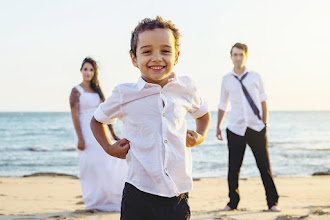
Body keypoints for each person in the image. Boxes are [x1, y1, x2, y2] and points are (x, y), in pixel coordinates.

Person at [90, 17, 211, 220]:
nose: (156, 58)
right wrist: (109, 147)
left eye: (165, 51)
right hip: (139, 190)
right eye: (147, 51)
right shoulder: (124, 94)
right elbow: (97, 121)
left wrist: (200, 136)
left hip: (177, 191)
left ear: (177, 56)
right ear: (134, 58)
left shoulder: (185, 89)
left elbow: (204, 114)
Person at [216, 43, 280, 212]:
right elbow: (223, 104)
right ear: (231, 57)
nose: (238, 58)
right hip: (235, 128)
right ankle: (232, 202)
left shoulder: (255, 77)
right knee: (233, 168)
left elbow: (263, 100)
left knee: (264, 167)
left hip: (256, 127)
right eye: (235, 54)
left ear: (246, 56)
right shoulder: (226, 79)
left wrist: (264, 123)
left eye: (241, 54)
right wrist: (218, 126)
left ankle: (272, 202)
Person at [69, 57, 128, 211]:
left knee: (108, 165)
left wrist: (113, 135)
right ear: (81, 71)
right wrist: (80, 138)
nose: (88, 72)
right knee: (90, 167)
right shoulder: (76, 91)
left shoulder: (97, 91)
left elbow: (104, 115)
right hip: (85, 133)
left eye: (91, 69)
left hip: (100, 131)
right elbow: (75, 116)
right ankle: (93, 201)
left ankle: (112, 200)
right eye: (85, 69)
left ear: (94, 72)